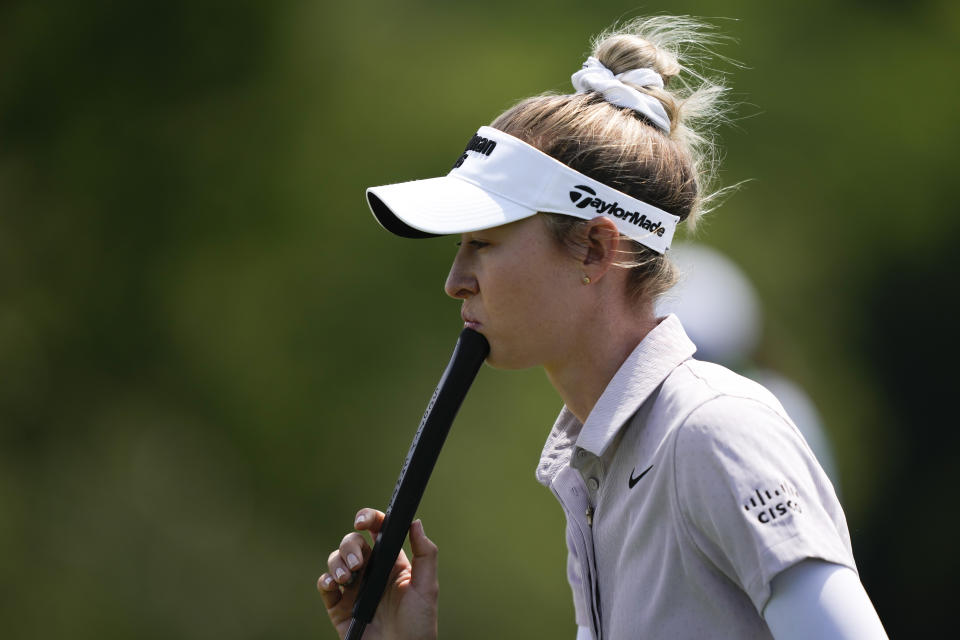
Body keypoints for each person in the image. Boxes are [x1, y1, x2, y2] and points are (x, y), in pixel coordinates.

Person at [318, 16, 888, 640]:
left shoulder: (713, 432)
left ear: (594, 248)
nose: (456, 280)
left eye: (483, 243)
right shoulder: (597, 466)